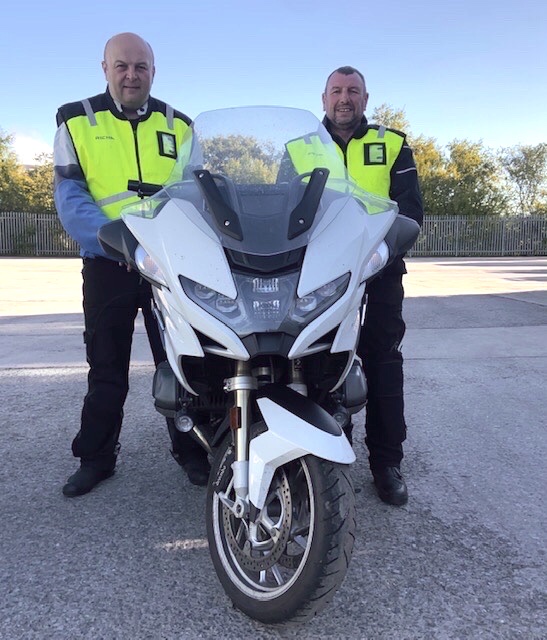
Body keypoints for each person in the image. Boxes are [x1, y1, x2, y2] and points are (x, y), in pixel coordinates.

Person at [54, 32, 210, 497]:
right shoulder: (75, 120)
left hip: (169, 267)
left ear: (153, 71)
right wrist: (118, 242)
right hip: (109, 262)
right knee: (107, 368)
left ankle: (194, 452)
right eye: (121, 65)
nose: (131, 74)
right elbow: (70, 196)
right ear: (105, 69)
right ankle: (97, 458)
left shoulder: (180, 125)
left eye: (140, 66)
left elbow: (198, 194)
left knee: (184, 363)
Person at [321, 66, 423, 505]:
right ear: (323, 98)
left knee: (382, 363)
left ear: (366, 98)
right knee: (320, 366)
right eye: (337, 91)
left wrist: (378, 256)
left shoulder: (393, 143)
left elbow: (411, 213)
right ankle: (332, 456)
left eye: (353, 92)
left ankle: (386, 462)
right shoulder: (301, 147)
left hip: (379, 273)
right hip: (319, 279)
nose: (345, 99)